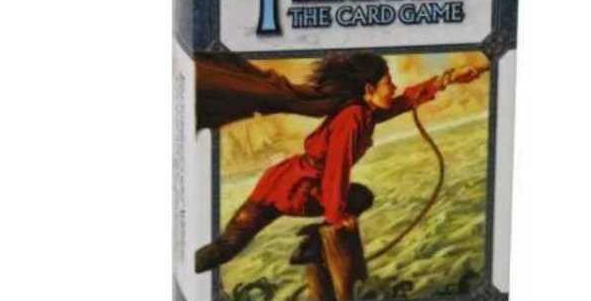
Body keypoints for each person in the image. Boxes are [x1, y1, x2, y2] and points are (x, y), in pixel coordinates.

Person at [195, 52, 483, 273]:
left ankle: (312, 246)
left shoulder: (366, 112)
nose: (394, 87)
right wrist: (336, 217)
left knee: (359, 197)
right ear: (369, 88)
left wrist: (448, 78)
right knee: (227, 247)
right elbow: (337, 169)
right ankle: (187, 265)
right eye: (388, 83)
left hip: (300, 184)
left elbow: (405, 100)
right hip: (291, 186)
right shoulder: (353, 118)